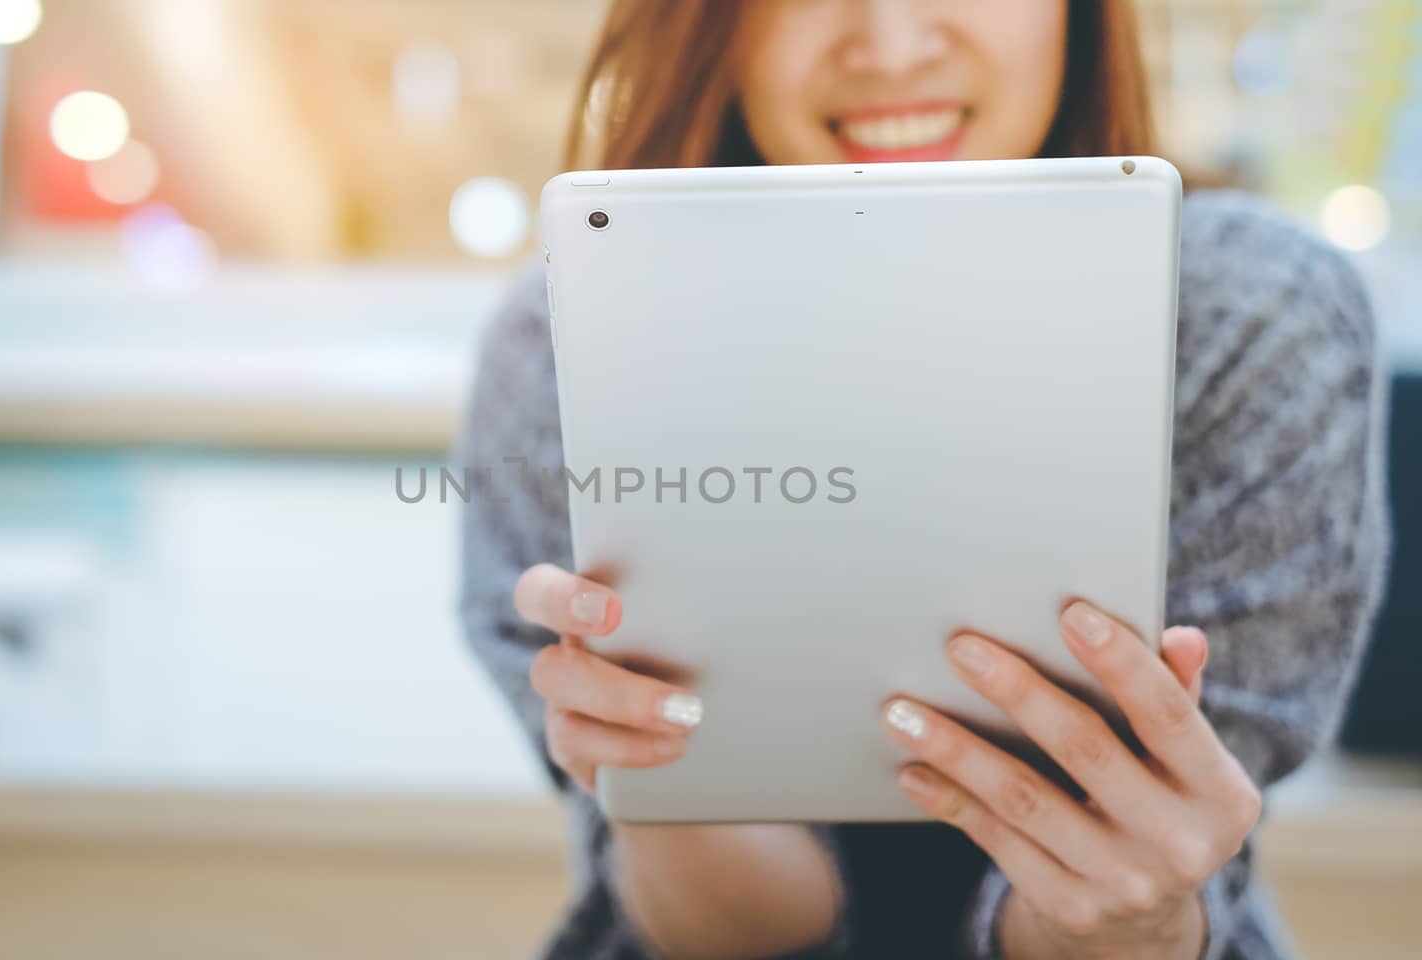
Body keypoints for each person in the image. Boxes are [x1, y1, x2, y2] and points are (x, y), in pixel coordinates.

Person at [455, 1, 1390, 957]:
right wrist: (661, 793)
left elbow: (1151, 905)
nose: (892, 47)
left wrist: (1132, 914)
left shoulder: (1256, 318)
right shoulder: (566, 344)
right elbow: (732, 933)